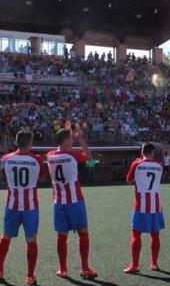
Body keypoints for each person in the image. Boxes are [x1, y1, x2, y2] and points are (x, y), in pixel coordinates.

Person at [46, 122, 97, 279]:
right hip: (75, 201)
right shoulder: (72, 155)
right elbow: (89, 157)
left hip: (59, 202)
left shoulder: (50, 156)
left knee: (61, 236)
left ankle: (63, 269)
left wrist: (69, 133)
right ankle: (84, 268)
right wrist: (81, 138)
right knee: (83, 233)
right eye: (71, 139)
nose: (73, 141)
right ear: (65, 140)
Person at [0, 130, 46, 285]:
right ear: (30, 143)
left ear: (16, 142)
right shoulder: (37, 159)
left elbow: (5, 176)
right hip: (30, 207)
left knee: (5, 238)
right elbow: (43, 177)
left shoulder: (6, 158)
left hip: (11, 205)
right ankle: (30, 276)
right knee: (31, 240)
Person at [124, 143, 164, 273]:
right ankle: (154, 263)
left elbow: (128, 180)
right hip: (156, 205)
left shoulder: (137, 164)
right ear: (153, 152)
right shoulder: (159, 165)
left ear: (142, 152)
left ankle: (135, 265)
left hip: (141, 205)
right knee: (155, 234)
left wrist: (137, 163)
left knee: (136, 234)